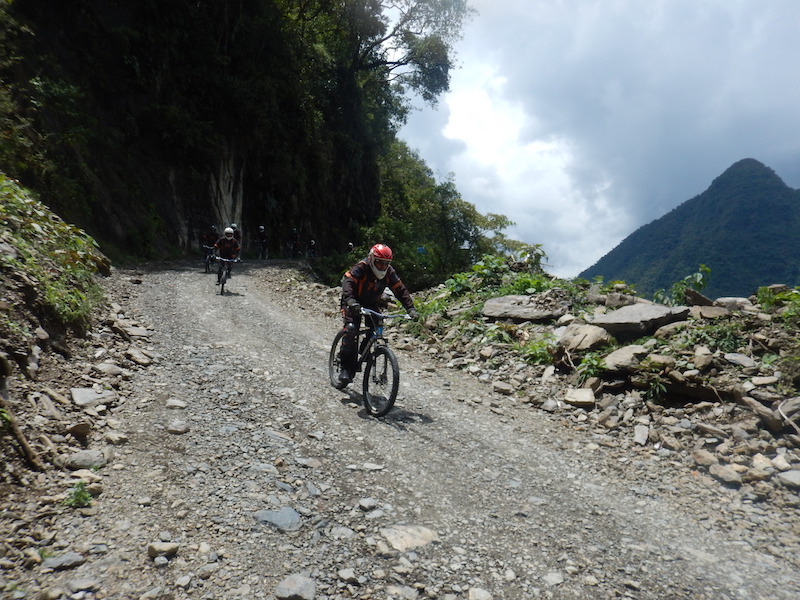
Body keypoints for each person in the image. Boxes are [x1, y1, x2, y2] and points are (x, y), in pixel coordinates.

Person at [337, 243, 419, 384]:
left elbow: (400, 290)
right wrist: (350, 301)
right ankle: (345, 366)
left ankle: (365, 348)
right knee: (351, 329)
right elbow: (348, 282)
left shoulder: (389, 272)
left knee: (377, 325)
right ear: (371, 258)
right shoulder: (361, 267)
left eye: (386, 263)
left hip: (370, 303)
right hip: (352, 302)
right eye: (379, 262)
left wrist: (410, 309)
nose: (382, 266)